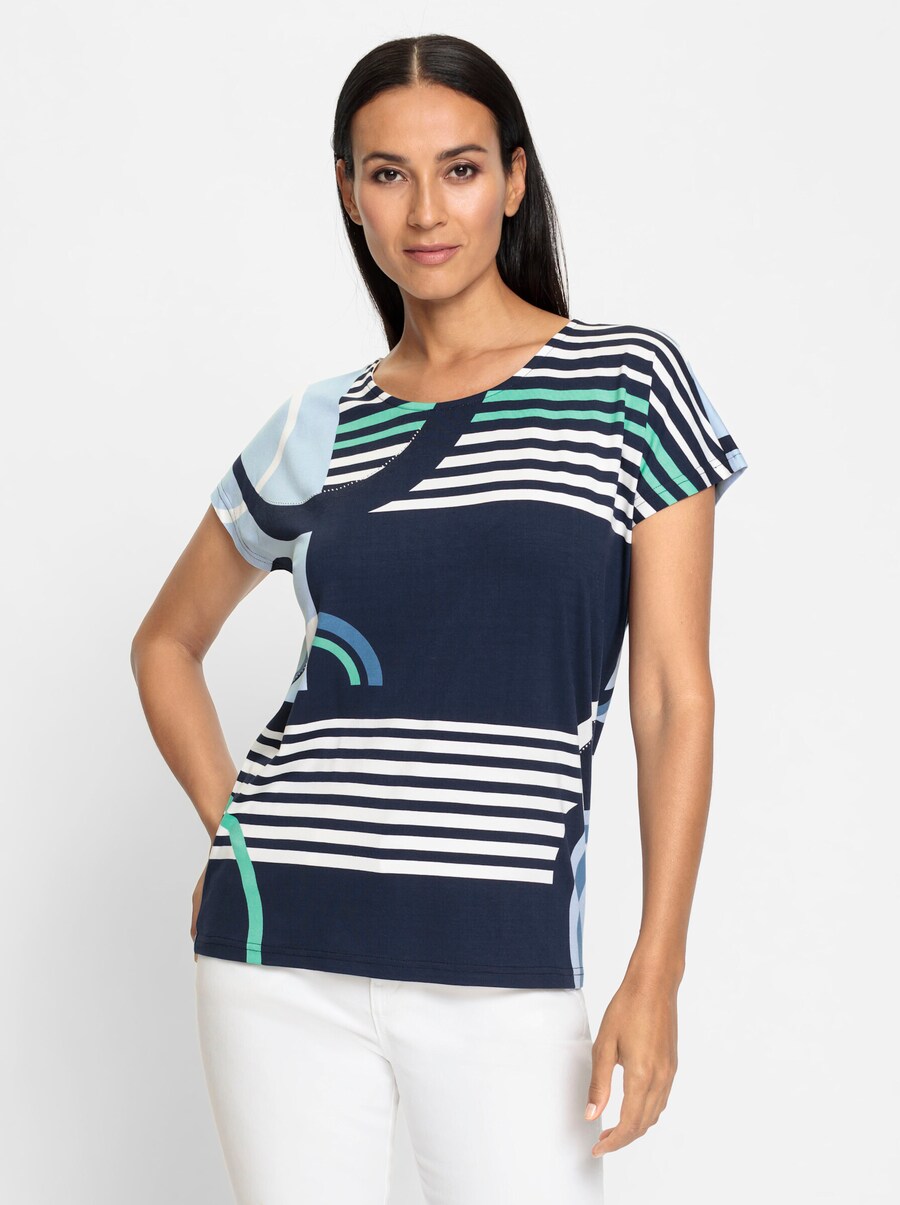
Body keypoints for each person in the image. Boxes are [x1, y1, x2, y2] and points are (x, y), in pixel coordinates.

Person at [130, 32, 748, 1205]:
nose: (425, 210)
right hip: (279, 954)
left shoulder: (627, 383)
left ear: (514, 180)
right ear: (348, 192)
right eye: (388, 173)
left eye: (460, 169)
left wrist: (657, 961)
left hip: (502, 959)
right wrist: (235, 837)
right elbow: (164, 643)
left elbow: (675, 693)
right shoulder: (318, 420)